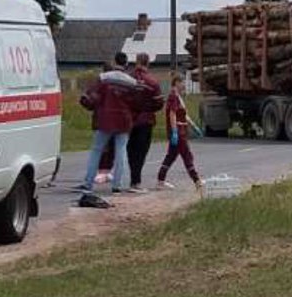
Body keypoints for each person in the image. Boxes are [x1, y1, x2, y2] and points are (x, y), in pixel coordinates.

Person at [80, 65, 144, 194]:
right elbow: (137, 103)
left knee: (96, 151)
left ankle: (88, 183)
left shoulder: (104, 78)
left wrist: (90, 106)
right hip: (124, 121)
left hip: (105, 120)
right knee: (121, 151)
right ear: (125, 65)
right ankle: (117, 185)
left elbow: (93, 97)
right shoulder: (131, 82)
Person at [157, 74, 203, 194]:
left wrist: (194, 126)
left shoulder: (178, 96)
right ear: (176, 82)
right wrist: (175, 132)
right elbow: (172, 114)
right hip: (178, 130)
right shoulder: (173, 96)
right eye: (182, 82)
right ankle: (197, 180)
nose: (184, 85)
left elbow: (184, 114)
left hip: (182, 128)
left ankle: (160, 180)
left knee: (171, 156)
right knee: (187, 155)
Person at [127, 53, 162, 191]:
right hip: (146, 120)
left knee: (130, 150)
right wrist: (149, 109)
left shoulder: (128, 79)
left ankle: (132, 178)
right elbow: (159, 102)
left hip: (129, 119)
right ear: (148, 63)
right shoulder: (152, 82)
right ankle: (136, 181)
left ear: (136, 62)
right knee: (141, 152)